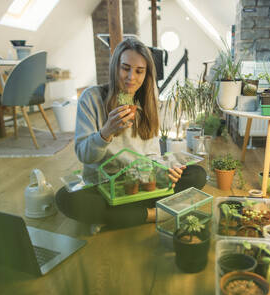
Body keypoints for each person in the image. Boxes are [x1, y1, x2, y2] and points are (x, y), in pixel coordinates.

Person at [56, 38, 206, 232]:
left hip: (141, 184)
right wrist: (106, 132)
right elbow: (85, 156)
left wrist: (167, 170)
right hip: (103, 186)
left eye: (139, 71)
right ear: (115, 67)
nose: (131, 77)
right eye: (125, 68)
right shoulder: (91, 98)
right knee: (65, 198)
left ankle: (118, 217)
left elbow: (152, 157)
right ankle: (154, 213)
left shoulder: (148, 102)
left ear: (146, 74)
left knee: (197, 175)